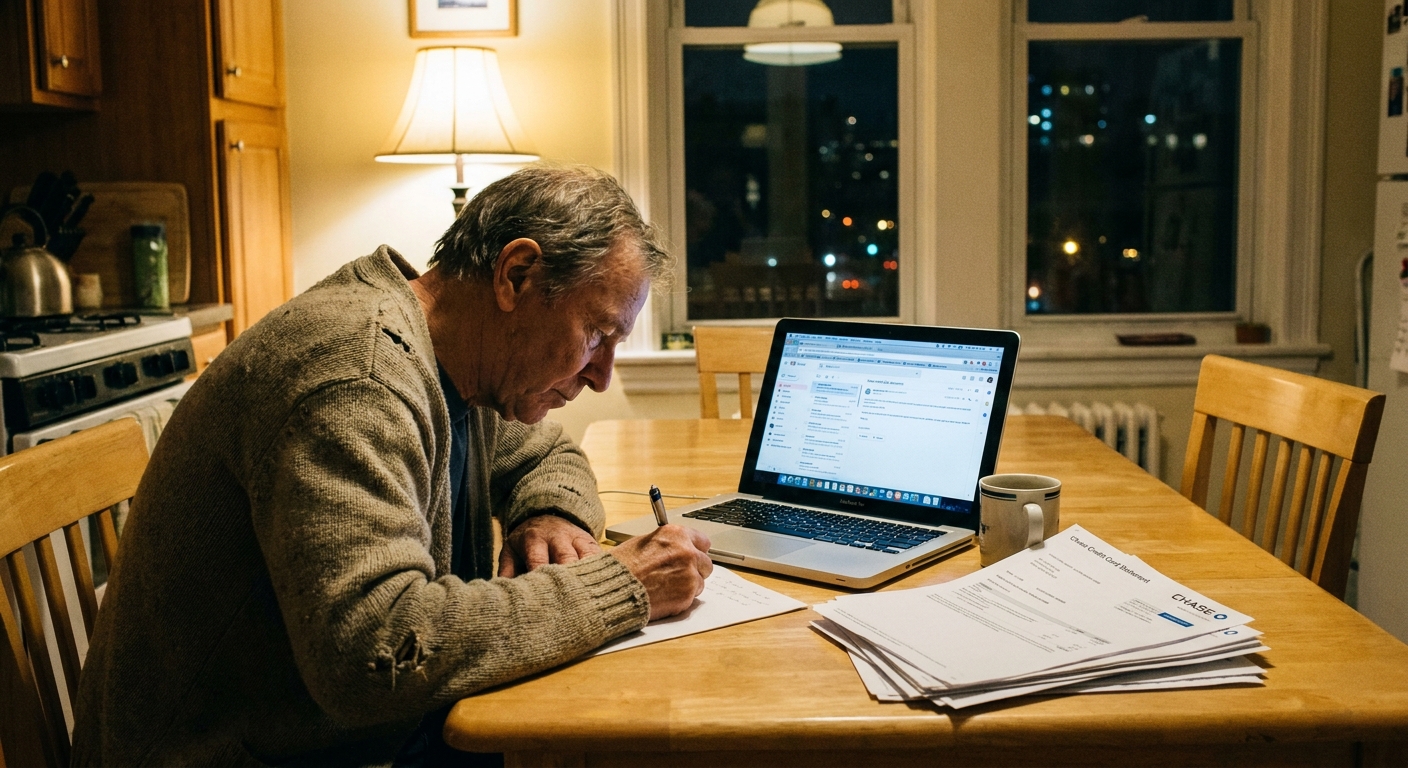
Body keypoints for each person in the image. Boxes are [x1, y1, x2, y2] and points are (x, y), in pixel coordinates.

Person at [71, 165, 713, 767]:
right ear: (515, 275)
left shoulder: (455, 354)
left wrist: (550, 511)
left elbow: (548, 452)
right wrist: (624, 584)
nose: (602, 378)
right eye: (597, 335)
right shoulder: (358, 379)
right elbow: (374, 654)